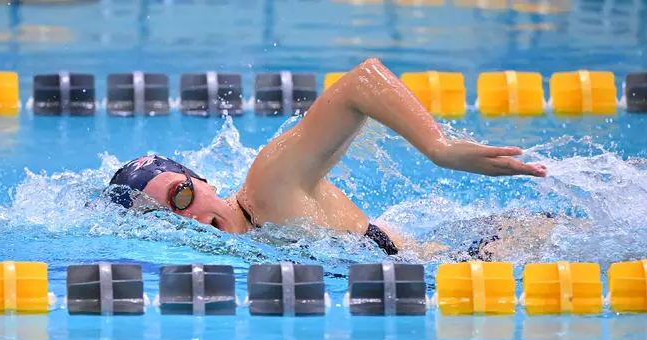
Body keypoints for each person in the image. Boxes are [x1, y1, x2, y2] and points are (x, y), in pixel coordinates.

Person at [108, 58, 547, 256]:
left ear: (203, 182)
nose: (184, 217)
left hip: (489, 251)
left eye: (181, 196)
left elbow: (360, 82)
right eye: (162, 217)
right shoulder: (233, 255)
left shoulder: (270, 184)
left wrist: (440, 149)